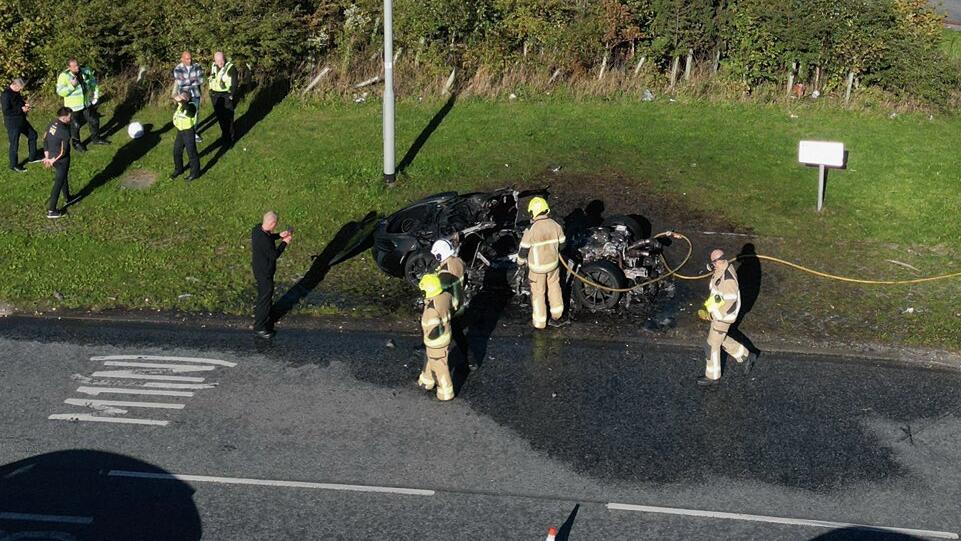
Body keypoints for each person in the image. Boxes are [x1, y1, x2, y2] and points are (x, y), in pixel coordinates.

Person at [697, 249, 756, 387]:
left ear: (720, 261)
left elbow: (729, 301)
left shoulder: (728, 278)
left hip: (723, 317)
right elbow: (718, 294)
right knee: (721, 339)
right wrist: (709, 307)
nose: (711, 265)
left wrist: (711, 315)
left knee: (711, 345)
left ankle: (712, 377)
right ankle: (746, 356)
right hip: (719, 314)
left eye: (713, 263)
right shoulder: (723, 268)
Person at [517, 196, 566, 329]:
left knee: (538, 293)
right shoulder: (556, 225)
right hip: (553, 265)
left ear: (533, 212)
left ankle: (540, 322)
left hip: (537, 269)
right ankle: (557, 315)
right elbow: (562, 245)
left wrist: (520, 262)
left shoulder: (531, 229)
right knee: (555, 287)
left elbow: (523, 250)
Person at [250, 211, 292, 339]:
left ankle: (262, 316)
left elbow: (268, 237)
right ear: (273, 223)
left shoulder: (257, 229)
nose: (275, 226)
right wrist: (285, 242)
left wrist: (279, 235)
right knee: (265, 298)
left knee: (264, 296)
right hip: (265, 273)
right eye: (276, 225)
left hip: (259, 269)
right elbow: (274, 255)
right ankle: (260, 328)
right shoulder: (264, 240)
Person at [432, 238, 471, 367]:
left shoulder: (445, 271)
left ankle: (465, 358)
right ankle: (467, 357)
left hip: (450, 304)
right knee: (457, 330)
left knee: (450, 329)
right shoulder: (458, 262)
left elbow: (440, 290)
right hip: (459, 300)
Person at [417, 273, 455, 402]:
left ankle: (445, 392)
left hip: (437, 343)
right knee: (430, 359)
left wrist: (428, 338)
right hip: (446, 336)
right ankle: (427, 380)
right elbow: (454, 304)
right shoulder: (445, 296)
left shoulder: (431, 311)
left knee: (439, 366)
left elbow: (432, 331)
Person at [55, 59, 108, 152]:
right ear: (69, 67)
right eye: (74, 66)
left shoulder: (85, 71)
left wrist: (96, 96)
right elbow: (60, 92)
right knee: (76, 125)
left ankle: (96, 139)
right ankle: (76, 144)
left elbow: (93, 82)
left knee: (94, 120)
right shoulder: (64, 76)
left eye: (77, 65)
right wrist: (72, 86)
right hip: (73, 107)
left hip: (86, 103)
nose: (77, 67)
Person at [41, 108, 80, 219]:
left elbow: (45, 139)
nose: (71, 118)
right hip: (61, 160)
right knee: (58, 184)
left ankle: (68, 197)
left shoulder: (52, 123)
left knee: (63, 177)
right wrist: (53, 159)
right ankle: (51, 210)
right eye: (70, 116)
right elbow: (63, 150)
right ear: (64, 117)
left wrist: (47, 156)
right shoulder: (65, 131)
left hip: (52, 158)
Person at [2, 78, 40, 172]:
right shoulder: (6, 94)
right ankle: (13, 165)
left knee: (33, 135)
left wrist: (25, 105)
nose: (20, 90)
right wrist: (21, 110)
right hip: (12, 123)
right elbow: (6, 111)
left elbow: (19, 102)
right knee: (14, 144)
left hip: (22, 121)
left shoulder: (17, 92)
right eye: (19, 88)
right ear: (14, 85)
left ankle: (32, 157)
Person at [173, 51, 204, 143]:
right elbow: (181, 83)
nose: (190, 60)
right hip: (184, 95)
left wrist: (188, 80)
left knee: (195, 114)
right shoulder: (178, 69)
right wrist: (193, 80)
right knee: (184, 113)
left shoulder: (197, 66)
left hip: (195, 94)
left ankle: (193, 132)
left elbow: (201, 80)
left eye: (190, 58)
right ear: (182, 59)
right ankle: (183, 131)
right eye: (187, 59)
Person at [207, 51, 237, 146]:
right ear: (214, 61)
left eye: (222, 60)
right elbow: (211, 78)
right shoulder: (213, 67)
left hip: (225, 95)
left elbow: (235, 83)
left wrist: (231, 95)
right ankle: (225, 135)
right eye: (218, 60)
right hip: (215, 95)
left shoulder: (230, 68)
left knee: (228, 117)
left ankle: (231, 138)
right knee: (220, 118)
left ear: (224, 58)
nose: (220, 62)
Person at [171, 92, 201, 181]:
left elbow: (190, 113)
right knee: (176, 151)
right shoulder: (180, 105)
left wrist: (182, 101)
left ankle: (195, 173)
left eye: (182, 97)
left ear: (187, 99)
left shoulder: (192, 106)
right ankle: (178, 169)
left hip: (188, 132)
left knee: (191, 153)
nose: (179, 99)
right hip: (180, 132)